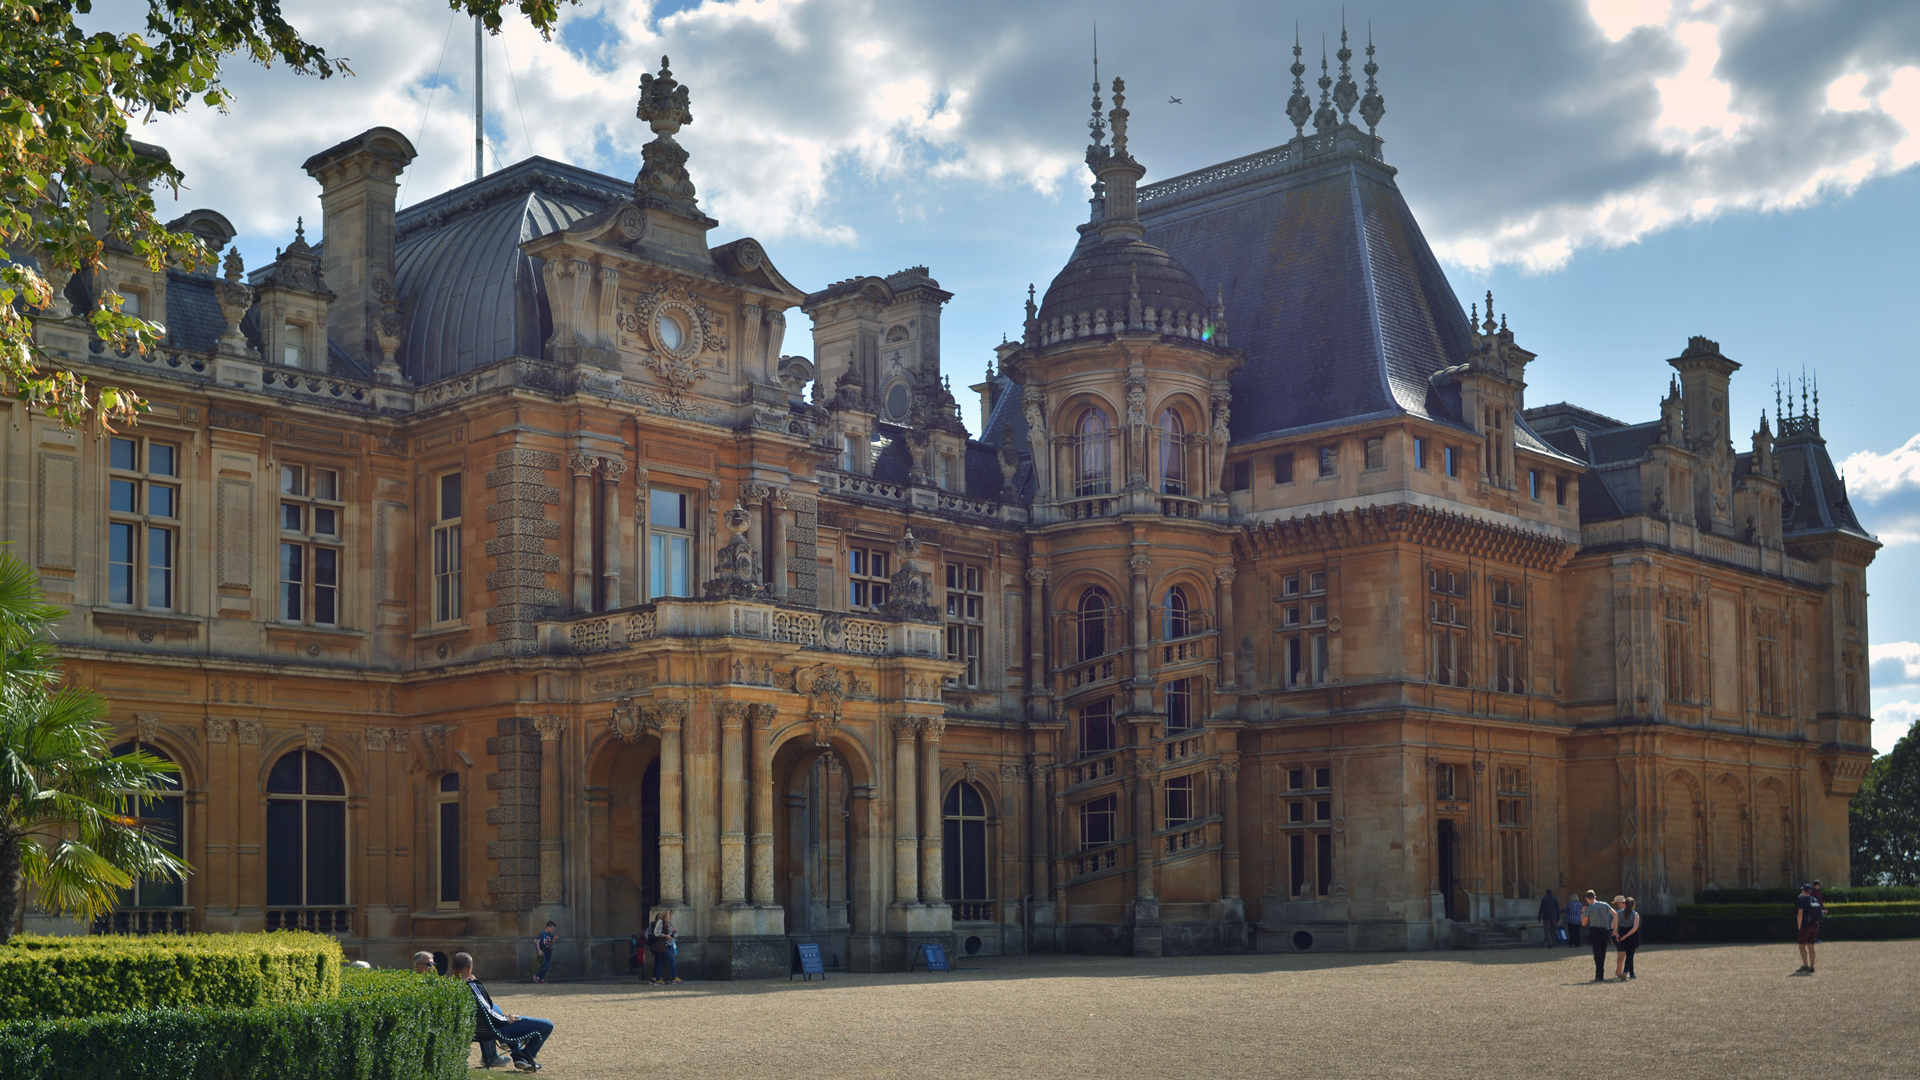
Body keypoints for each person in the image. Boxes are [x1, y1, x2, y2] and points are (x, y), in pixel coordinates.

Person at [454, 951, 555, 1072]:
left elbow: (487, 1010)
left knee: (496, 1007)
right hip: (493, 1030)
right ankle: (526, 1057)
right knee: (548, 1025)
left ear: (452, 967)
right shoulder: (471, 985)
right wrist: (506, 1020)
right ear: (470, 968)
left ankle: (519, 1057)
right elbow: (488, 1012)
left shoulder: (451, 985)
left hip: (476, 1029)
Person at [1582, 890, 1615, 982]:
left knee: (1597, 954)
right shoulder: (1605, 904)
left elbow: (1584, 923)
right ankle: (1600, 973)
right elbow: (1615, 914)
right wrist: (1614, 927)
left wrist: (1582, 912)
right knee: (1603, 952)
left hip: (1595, 931)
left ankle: (1599, 974)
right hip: (1605, 931)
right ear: (1595, 897)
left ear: (1586, 899)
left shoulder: (1588, 909)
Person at [1795, 883, 1824, 974]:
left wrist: (1799, 926)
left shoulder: (1802, 900)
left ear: (1803, 891)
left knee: (1802, 946)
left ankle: (1805, 965)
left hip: (1805, 926)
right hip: (1815, 926)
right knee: (1811, 946)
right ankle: (1812, 966)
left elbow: (1800, 914)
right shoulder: (1815, 900)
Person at [648, 908, 681, 985]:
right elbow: (656, 933)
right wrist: (665, 936)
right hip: (662, 946)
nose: (671, 917)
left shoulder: (668, 923)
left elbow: (670, 933)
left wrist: (674, 932)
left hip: (667, 945)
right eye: (671, 915)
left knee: (661, 962)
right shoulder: (660, 922)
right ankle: (674, 978)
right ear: (667, 915)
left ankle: (658, 979)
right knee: (671, 959)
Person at [1613, 897, 1640, 980]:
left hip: (1621, 933)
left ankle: (1631, 973)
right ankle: (1625, 971)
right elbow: (1635, 928)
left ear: (1625, 904)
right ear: (1633, 905)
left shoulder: (1619, 914)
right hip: (1631, 936)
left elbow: (1615, 927)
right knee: (1630, 955)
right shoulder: (1635, 914)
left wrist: (1618, 936)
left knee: (1628, 954)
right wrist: (1627, 935)